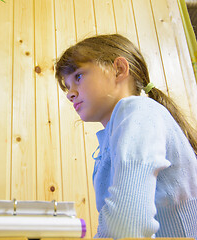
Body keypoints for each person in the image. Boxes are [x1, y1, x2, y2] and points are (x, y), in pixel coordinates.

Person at [55, 34, 197, 239]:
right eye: (67, 87)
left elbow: (127, 225)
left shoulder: (137, 110)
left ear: (119, 70)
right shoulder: (110, 140)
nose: (70, 94)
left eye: (78, 76)